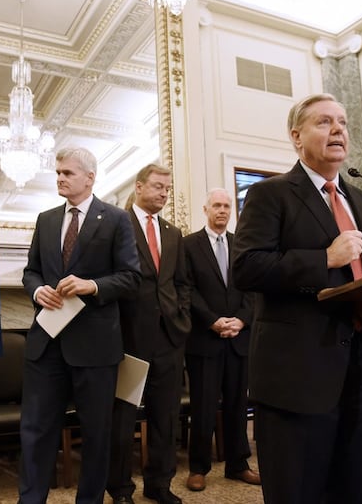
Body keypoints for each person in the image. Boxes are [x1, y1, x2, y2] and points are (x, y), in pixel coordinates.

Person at [232, 93, 362, 503]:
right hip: (299, 368)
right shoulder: (269, 194)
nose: (338, 130)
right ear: (297, 136)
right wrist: (323, 259)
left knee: (361, 486)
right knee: (300, 489)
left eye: (343, 123)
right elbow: (246, 268)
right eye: (324, 122)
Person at [19, 147, 141, 504]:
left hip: (96, 346)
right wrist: (36, 289)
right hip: (46, 344)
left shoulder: (116, 219)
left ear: (90, 177)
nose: (60, 178)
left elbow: (132, 278)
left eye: (68, 173)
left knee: (96, 434)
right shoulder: (46, 219)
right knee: (35, 431)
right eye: (57, 172)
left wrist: (93, 286)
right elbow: (32, 271)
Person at [107, 164, 191, 504]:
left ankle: (159, 485)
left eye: (167, 189)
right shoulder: (117, 225)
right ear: (139, 187)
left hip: (169, 337)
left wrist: (181, 317)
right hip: (129, 337)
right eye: (157, 187)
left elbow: (181, 282)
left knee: (165, 416)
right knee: (123, 418)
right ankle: (120, 489)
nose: (163, 193)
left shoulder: (173, 232)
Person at [182, 187, 260, 492]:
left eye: (227, 206)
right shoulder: (189, 245)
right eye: (217, 205)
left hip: (239, 338)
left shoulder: (242, 245)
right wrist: (213, 321)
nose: (223, 211)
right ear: (205, 209)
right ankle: (198, 468)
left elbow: (252, 289)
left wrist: (241, 319)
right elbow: (187, 290)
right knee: (202, 407)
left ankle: (237, 463)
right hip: (205, 339)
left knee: (238, 405)